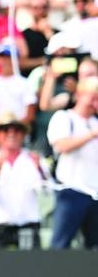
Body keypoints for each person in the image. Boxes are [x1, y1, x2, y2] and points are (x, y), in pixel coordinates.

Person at [0, 115, 48, 249]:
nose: (11, 134)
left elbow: (47, 192)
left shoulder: (34, 160)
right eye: (6, 130)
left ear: (23, 134)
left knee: (32, 268)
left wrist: (40, 170)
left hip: (27, 225)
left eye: (17, 130)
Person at [46, 77, 98, 249]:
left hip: (95, 193)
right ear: (79, 95)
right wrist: (91, 135)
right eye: (92, 97)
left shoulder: (95, 122)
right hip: (71, 190)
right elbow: (61, 145)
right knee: (60, 244)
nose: (94, 102)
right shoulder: (64, 117)